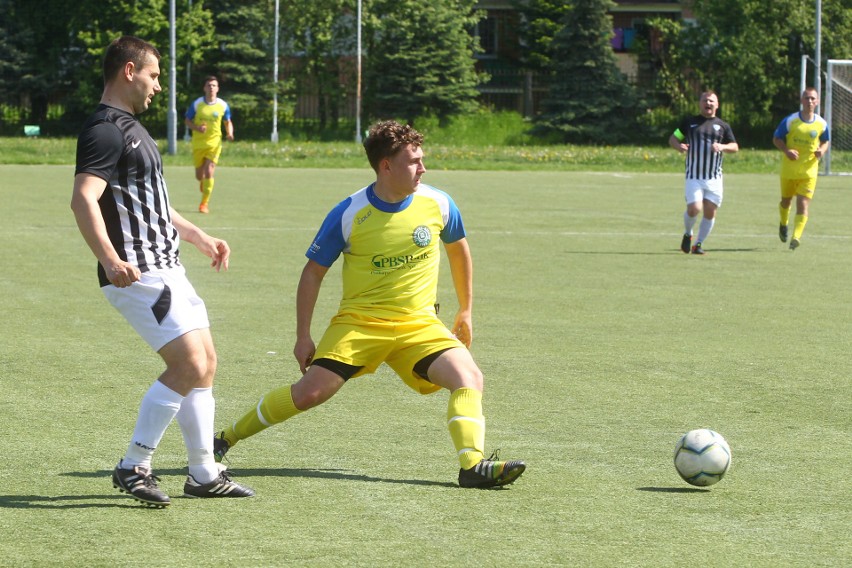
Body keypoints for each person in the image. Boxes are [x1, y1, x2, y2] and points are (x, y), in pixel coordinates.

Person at [213, 120, 526, 489]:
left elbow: (459, 252)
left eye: (422, 159)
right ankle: (223, 439)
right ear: (386, 166)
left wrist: (466, 310)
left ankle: (472, 465)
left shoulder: (439, 203)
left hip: (419, 326)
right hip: (359, 324)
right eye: (414, 161)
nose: (423, 169)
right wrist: (303, 336)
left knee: (469, 377)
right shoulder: (348, 213)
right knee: (310, 392)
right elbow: (312, 273)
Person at [70, 36, 254, 507]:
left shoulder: (132, 128)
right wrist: (111, 260)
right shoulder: (105, 129)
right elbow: (84, 198)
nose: (157, 86)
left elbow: (153, 203)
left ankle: (203, 473)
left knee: (206, 363)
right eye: (153, 76)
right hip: (140, 272)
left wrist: (199, 237)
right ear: (128, 71)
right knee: (189, 363)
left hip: (167, 265)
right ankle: (134, 465)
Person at [669, 90, 739, 255]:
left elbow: (734, 147)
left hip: (714, 178)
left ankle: (698, 244)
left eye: (711, 101)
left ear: (717, 105)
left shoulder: (723, 126)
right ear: (700, 103)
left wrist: (722, 147)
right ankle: (688, 233)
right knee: (694, 208)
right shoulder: (689, 122)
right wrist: (679, 146)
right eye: (705, 100)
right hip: (694, 176)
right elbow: (673, 138)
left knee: (710, 211)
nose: (708, 103)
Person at [773, 87, 830, 250]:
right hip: (789, 170)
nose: (810, 101)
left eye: (813, 98)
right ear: (801, 101)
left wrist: (822, 150)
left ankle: (796, 237)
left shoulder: (821, 123)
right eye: (807, 98)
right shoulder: (791, 120)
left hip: (809, 171)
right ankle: (783, 223)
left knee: (803, 204)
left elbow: (825, 141)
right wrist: (786, 150)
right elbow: (776, 138)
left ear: (817, 102)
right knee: (785, 201)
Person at [184, 75, 234, 214]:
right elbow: (187, 121)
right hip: (198, 144)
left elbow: (227, 121)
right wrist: (197, 128)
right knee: (199, 176)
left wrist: (229, 133)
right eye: (209, 85)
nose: (211, 88)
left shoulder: (223, 105)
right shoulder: (197, 104)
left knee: (209, 171)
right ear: (204, 88)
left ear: (217, 88)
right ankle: (203, 182)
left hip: (214, 143)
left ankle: (204, 204)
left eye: (214, 85)